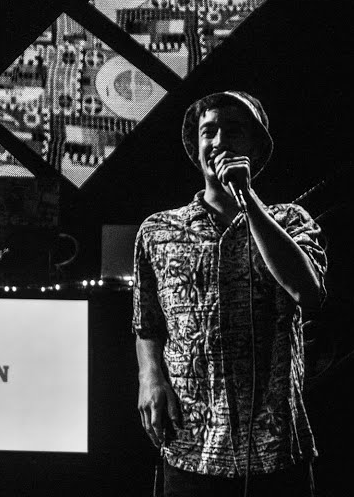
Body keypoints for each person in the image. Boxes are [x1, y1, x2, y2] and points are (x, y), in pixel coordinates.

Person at [133, 92, 328, 496]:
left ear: (256, 146)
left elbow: (308, 292)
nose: (219, 141)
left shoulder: (290, 221)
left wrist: (247, 199)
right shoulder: (158, 230)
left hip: (273, 450)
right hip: (190, 447)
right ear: (196, 146)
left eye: (234, 131)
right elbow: (147, 323)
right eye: (209, 132)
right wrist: (149, 376)